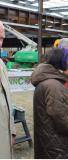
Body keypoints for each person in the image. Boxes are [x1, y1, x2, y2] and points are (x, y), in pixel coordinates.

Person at [31, 48, 68, 159]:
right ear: (60, 63)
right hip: (56, 151)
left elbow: (54, 113)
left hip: (49, 147)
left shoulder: (49, 82)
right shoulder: (54, 86)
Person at [0, 21, 16, 158]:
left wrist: (12, 129)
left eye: (2, 38)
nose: (0, 43)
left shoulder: (1, 64)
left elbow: (6, 100)